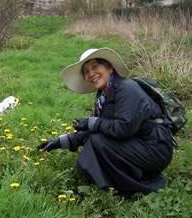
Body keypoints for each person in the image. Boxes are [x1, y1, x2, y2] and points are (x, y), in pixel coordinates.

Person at [37, 48, 174, 195]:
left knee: (98, 142)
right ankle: (122, 181)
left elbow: (123, 128)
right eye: (86, 71)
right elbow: (96, 127)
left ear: (109, 68)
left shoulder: (126, 88)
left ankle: (130, 188)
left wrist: (92, 123)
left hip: (156, 149)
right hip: (141, 143)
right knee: (97, 138)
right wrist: (61, 141)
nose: (91, 74)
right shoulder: (104, 95)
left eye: (95, 67)